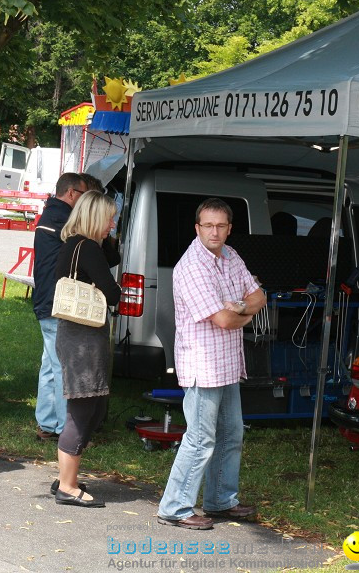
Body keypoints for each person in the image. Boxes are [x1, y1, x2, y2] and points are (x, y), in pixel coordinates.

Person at [157, 198, 265, 530]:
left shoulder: (231, 256)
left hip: (228, 364)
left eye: (220, 225)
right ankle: (175, 507)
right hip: (203, 365)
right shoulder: (191, 267)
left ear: (229, 229)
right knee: (201, 438)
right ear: (197, 228)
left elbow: (259, 294)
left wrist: (240, 308)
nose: (214, 231)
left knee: (231, 434)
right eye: (208, 225)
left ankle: (220, 500)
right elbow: (222, 319)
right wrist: (242, 309)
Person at [52, 191, 120, 508]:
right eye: (109, 218)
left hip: (73, 334)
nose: (112, 224)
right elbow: (112, 291)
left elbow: (114, 258)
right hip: (85, 338)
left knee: (84, 408)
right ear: (96, 218)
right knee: (83, 411)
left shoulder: (73, 245)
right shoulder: (88, 248)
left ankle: (67, 477)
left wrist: (108, 238)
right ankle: (67, 486)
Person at [32, 173, 88, 441]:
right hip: (57, 301)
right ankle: (64, 427)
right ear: (72, 193)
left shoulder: (49, 215)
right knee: (61, 365)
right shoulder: (64, 221)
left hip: (45, 298)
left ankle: (47, 421)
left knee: (49, 363)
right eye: (84, 195)